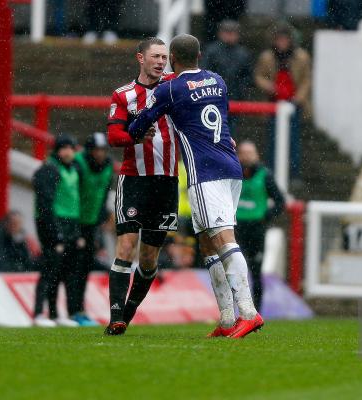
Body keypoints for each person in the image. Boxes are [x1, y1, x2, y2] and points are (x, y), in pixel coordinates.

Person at [129, 34, 263, 338]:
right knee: (207, 243)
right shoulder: (218, 80)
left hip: (205, 173)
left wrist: (134, 128)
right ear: (200, 55)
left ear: (172, 57)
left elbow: (143, 121)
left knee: (224, 239)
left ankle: (249, 312)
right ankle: (227, 319)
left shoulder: (170, 88)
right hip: (230, 166)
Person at [104, 37, 179, 335]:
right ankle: (115, 316)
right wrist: (135, 135)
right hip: (134, 179)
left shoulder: (174, 88)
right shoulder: (123, 95)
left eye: (165, 57)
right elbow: (113, 137)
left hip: (167, 182)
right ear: (140, 58)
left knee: (148, 259)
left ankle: (129, 310)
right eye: (156, 57)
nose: (161, 62)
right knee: (125, 246)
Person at [32, 135, 85, 327]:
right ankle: (38, 313)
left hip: (70, 223)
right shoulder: (49, 170)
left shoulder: (73, 169)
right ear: (57, 151)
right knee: (49, 268)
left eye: (70, 147)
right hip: (54, 223)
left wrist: (76, 232)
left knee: (62, 271)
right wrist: (55, 233)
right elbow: (45, 204)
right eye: (64, 148)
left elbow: (75, 201)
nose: (68, 151)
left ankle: (55, 313)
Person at [254, 22, 311, 181]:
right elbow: (259, 76)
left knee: (293, 142)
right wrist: (270, 87)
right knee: (272, 141)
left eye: (284, 39)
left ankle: (293, 174)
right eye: (278, 39)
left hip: (293, 105)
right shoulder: (267, 57)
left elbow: (306, 80)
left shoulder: (301, 57)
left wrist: (297, 99)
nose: (281, 43)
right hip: (273, 104)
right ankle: (271, 173)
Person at [236, 141, 285, 311]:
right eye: (243, 152)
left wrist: (266, 216)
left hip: (256, 229)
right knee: (235, 271)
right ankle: (235, 310)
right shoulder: (233, 173)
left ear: (256, 155)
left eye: (250, 152)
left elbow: (280, 200)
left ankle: (257, 311)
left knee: (256, 271)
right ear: (238, 155)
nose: (247, 156)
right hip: (236, 229)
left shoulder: (264, 175)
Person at [72, 132, 114, 326]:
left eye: (103, 150)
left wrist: (100, 221)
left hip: (91, 223)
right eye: (97, 150)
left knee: (84, 268)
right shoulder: (78, 164)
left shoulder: (107, 167)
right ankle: (67, 311)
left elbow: (104, 194)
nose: (100, 154)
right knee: (70, 267)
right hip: (73, 221)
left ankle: (78, 310)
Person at [201, 20, 252, 102]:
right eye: (226, 32)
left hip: (236, 97)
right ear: (220, 34)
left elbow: (248, 76)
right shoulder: (211, 51)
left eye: (232, 33)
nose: (229, 36)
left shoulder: (244, 53)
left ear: (238, 35)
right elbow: (204, 72)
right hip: (214, 95)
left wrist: (242, 89)